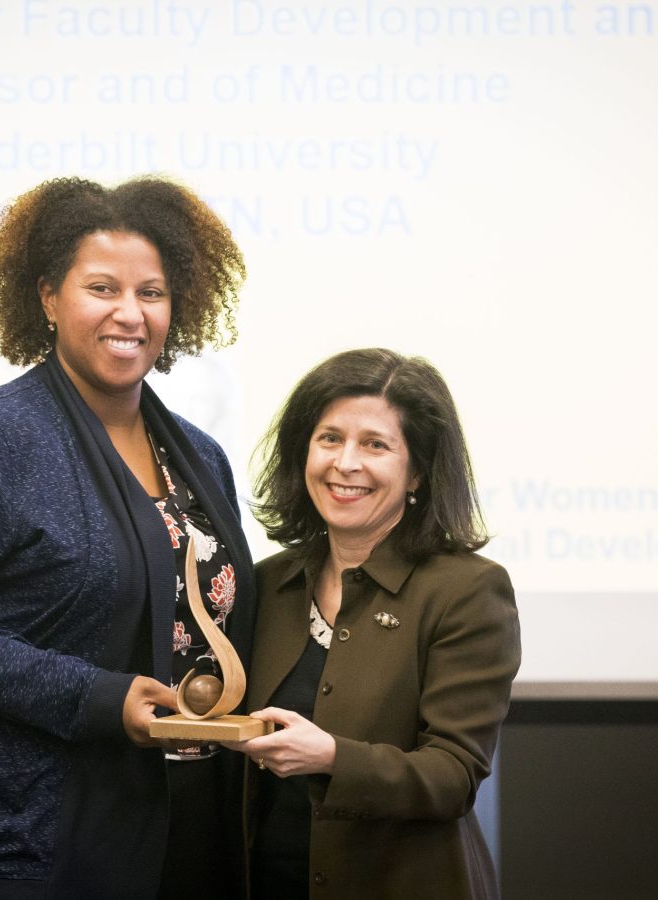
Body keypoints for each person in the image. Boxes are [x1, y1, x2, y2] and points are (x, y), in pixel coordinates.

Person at [0, 175, 254, 899]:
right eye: (102, 288)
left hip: (172, 831)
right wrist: (94, 696)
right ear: (47, 297)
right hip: (2, 841)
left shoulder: (201, 456)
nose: (129, 313)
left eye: (151, 292)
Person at [229, 348, 521, 899]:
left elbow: (452, 776)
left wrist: (332, 758)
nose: (345, 463)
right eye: (330, 438)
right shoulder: (266, 583)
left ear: (418, 472)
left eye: (375, 445)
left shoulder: (467, 590)